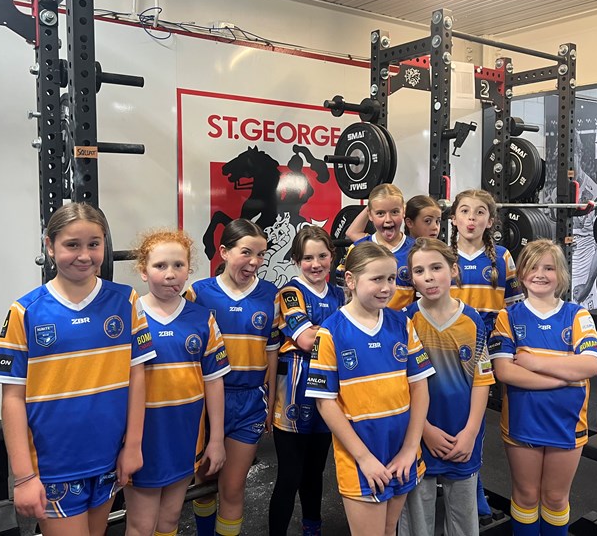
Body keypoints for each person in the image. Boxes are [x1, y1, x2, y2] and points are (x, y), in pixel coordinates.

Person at [0, 202, 155, 535]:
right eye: (72, 245)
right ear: (50, 246)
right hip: (54, 466)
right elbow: (12, 398)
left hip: (108, 459)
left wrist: (133, 445)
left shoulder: (126, 301)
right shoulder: (26, 311)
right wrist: (23, 476)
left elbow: (137, 377)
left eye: (94, 244)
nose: (84, 255)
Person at [307, 241, 434, 536]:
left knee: (390, 530)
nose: (386, 288)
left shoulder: (402, 324)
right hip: (361, 458)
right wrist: (364, 458)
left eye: (391, 278)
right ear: (351, 280)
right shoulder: (331, 332)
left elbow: (420, 388)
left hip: (402, 453)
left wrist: (410, 448)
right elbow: (325, 403)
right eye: (377, 279)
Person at [489, 239, 597, 536]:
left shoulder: (577, 315)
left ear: (561, 274)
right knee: (526, 495)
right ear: (521, 273)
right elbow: (505, 371)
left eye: (549, 268)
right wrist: (563, 376)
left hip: (568, 423)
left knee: (555, 497)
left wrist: (533, 361)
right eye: (533, 267)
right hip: (522, 421)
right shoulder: (508, 316)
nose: (540, 274)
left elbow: (591, 365)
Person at [124, 229, 231, 536]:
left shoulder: (202, 318)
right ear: (143, 270)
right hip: (143, 438)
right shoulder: (129, 316)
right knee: (141, 524)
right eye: (160, 266)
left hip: (186, 437)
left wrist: (216, 440)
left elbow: (214, 382)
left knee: (169, 520)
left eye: (178, 265)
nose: (170, 274)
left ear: (188, 269)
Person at [185, 218, 279, 536]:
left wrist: (270, 402)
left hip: (250, 401)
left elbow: (271, 351)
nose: (254, 261)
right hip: (208, 400)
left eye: (260, 254)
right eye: (246, 252)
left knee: (233, 487)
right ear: (224, 252)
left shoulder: (270, 294)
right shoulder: (198, 294)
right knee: (204, 482)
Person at [398, 238, 494, 536]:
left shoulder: (472, 321)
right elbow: (400, 386)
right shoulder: (405, 321)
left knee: (464, 520)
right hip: (417, 435)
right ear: (411, 278)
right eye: (419, 271)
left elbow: (482, 380)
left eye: (436, 267)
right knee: (417, 520)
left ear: (453, 270)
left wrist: (470, 432)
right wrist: (423, 430)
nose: (428, 277)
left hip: (462, 434)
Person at [448, 188, 524, 522]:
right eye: (465, 211)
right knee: (446, 417)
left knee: (475, 422)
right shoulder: (442, 255)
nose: (471, 218)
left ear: (490, 221)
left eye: (480, 212)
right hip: (446, 351)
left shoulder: (502, 258)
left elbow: (514, 307)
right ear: (454, 218)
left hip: (486, 353)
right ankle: (446, 480)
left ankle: (473, 493)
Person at [268, 226, 346, 536]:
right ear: (296, 261)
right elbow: (305, 340)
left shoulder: (339, 293)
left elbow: (319, 336)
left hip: (328, 390)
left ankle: (312, 528)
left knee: (316, 470)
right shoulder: (290, 292)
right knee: (290, 475)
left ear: (332, 256)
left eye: (322, 256)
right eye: (307, 258)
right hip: (294, 391)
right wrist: (339, 335)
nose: (316, 264)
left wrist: (320, 332)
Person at [337, 184, 415, 310]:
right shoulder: (358, 248)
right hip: (365, 320)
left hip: (404, 321)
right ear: (369, 214)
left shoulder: (416, 250)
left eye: (395, 212)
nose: (388, 219)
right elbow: (344, 291)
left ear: (404, 211)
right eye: (380, 213)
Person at [345, 194, 443, 242]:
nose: (435, 227)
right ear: (409, 222)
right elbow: (352, 233)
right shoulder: (378, 244)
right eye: (427, 221)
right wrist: (375, 201)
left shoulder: (439, 253)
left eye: (437, 221)